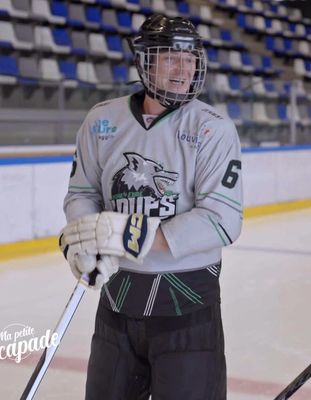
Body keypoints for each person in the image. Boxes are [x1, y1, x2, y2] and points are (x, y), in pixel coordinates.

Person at [58, 14, 243, 400]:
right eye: (170, 56)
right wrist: (83, 240)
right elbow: (82, 194)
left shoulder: (213, 128)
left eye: (190, 57)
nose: (184, 67)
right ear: (145, 61)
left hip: (187, 308)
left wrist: (129, 235)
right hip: (117, 303)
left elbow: (223, 220)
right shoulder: (100, 121)